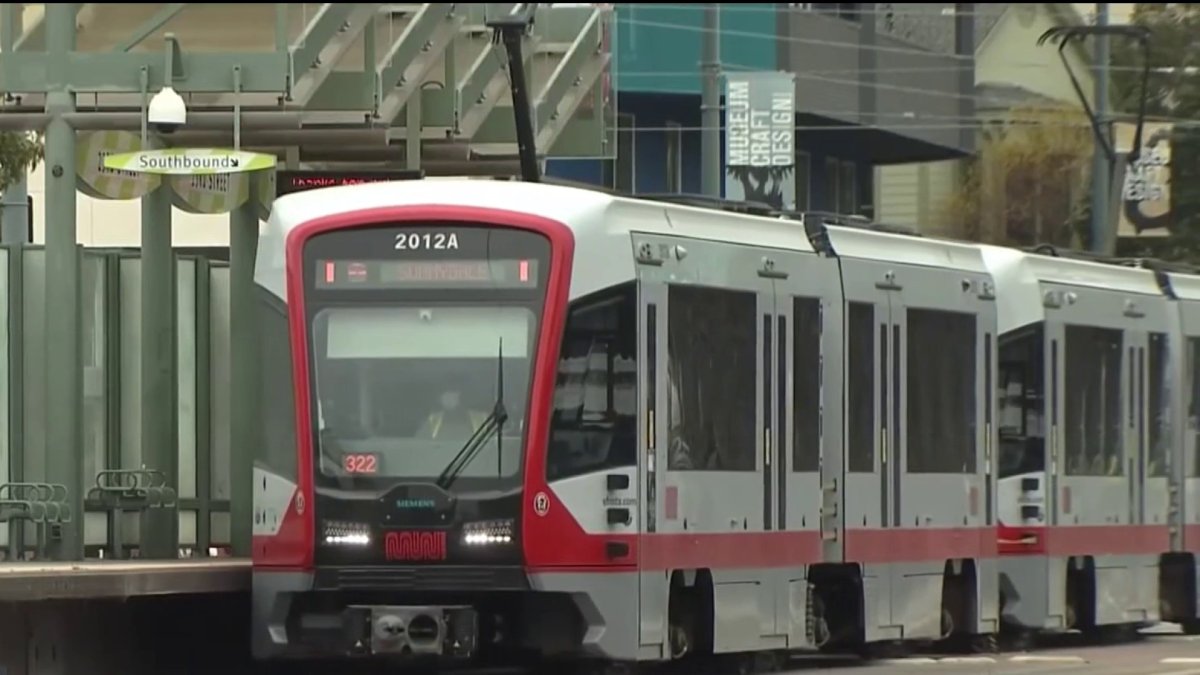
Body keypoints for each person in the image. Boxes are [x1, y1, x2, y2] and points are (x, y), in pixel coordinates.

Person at [418, 389, 489, 441]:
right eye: (446, 393)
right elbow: (420, 446)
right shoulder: (431, 421)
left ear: (460, 395)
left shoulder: (483, 419)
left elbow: (494, 444)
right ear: (440, 398)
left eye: (453, 393)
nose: (450, 397)